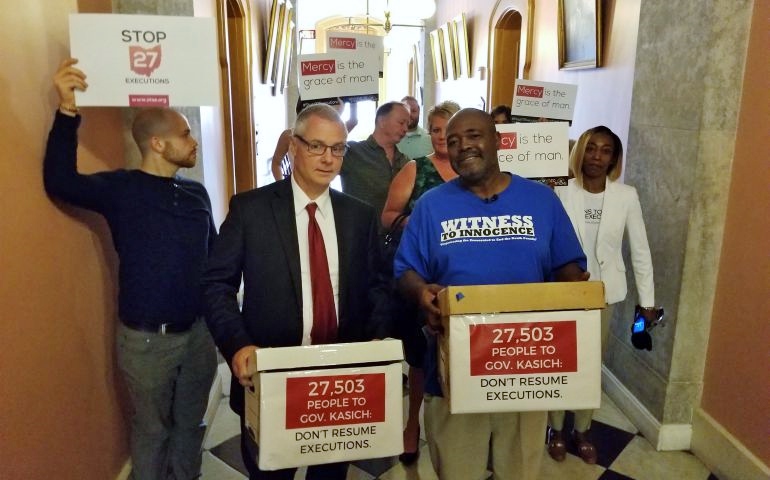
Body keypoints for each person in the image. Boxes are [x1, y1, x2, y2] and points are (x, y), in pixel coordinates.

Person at [43, 58, 218, 480]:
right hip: (146, 342)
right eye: (184, 134)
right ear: (157, 144)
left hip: (198, 333)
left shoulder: (196, 193)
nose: (193, 140)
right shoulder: (120, 189)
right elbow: (60, 181)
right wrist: (67, 110)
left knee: (190, 425)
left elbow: (213, 259)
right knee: (152, 428)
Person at [394, 108, 588, 480]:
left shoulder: (541, 200)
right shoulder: (432, 206)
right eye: (452, 141)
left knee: (518, 470)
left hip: (525, 368)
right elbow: (406, 271)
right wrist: (421, 293)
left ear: (498, 140)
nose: (463, 146)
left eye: (473, 135)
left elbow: (567, 264)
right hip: (453, 370)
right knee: (457, 470)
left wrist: (575, 288)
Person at [201, 103, 391, 480]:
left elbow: (379, 285)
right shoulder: (250, 210)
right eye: (317, 146)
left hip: (340, 379)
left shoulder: (360, 215)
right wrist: (237, 344)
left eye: (338, 149)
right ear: (293, 147)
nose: (328, 158)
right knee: (271, 473)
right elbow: (215, 285)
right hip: (270, 374)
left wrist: (377, 343)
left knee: (330, 474)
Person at [548, 125, 659, 464]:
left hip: (605, 293)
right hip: (563, 292)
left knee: (589, 365)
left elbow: (640, 250)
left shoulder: (626, 196)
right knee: (559, 361)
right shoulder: (559, 190)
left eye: (606, 150)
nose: (597, 156)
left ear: (614, 157)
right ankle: (555, 427)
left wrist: (648, 302)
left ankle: (582, 429)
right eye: (592, 147)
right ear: (581, 150)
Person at [380, 100, 460, 465]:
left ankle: (463, 429)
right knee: (419, 356)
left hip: (463, 278)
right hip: (423, 277)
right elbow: (388, 216)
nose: (441, 136)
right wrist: (418, 220)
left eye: (447, 129)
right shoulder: (416, 169)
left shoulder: (473, 174)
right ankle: (411, 423)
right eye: (436, 128)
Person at [340, 101, 412, 219]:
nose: (405, 129)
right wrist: (347, 121)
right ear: (382, 121)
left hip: (397, 234)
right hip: (359, 233)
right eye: (401, 122)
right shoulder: (353, 152)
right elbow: (324, 150)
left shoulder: (406, 162)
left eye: (407, 124)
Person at [271, 98, 358, 181]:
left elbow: (353, 121)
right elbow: (276, 163)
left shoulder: (333, 134)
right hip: (296, 189)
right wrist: (283, 189)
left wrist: (352, 98)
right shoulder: (288, 135)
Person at [397, 95, 433, 160]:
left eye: (413, 111)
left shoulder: (430, 139)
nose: (409, 114)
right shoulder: (391, 139)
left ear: (419, 112)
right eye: (406, 111)